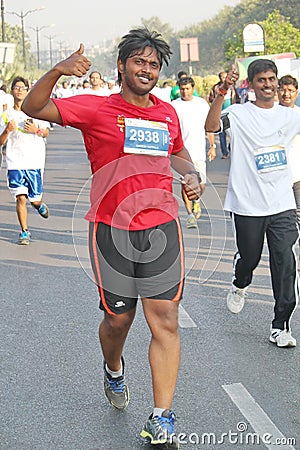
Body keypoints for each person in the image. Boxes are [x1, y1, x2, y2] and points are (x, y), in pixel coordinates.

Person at [22, 27, 201, 448]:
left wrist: (190, 176)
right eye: (139, 61)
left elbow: (178, 152)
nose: (147, 69)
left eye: (154, 64)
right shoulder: (96, 109)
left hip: (161, 226)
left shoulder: (166, 113)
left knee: (166, 320)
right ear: (121, 66)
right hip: (111, 230)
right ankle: (114, 367)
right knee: (119, 319)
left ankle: (161, 416)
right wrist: (58, 71)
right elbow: (34, 105)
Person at [205, 59, 300, 348]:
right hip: (247, 204)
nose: (269, 85)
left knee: (285, 259)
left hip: (282, 202)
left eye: (272, 79)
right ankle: (240, 280)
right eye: (262, 80)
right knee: (250, 258)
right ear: (251, 84)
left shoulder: (291, 116)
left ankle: (280, 325)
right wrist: (222, 90)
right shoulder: (239, 112)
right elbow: (210, 125)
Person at [0, 76, 50, 245]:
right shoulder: (7, 115)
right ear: (12, 91)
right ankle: (24, 231)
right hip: (15, 162)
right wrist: (7, 130)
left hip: (34, 161)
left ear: (28, 90)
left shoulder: (36, 111)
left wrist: (36, 130)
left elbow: (46, 132)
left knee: (34, 200)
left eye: (23, 87)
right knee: (20, 197)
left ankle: (39, 205)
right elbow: (1, 141)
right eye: (16, 87)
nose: (20, 90)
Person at [172, 76, 216, 228]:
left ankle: (196, 201)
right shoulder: (174, 106)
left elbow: (209, 126)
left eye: (188, 89)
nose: (185, 92)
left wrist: (212, 145)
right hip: (181, 153)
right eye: (182, 89)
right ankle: (190, 214)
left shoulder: (201, 104)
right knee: (185, 184)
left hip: (198, 151)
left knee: (201, 185)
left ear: (193, 88)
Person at [278, 75, 300, 232]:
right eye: (283, 90)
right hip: (276, 179)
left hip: (298, 178)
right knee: (282, 223)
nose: (286, 94)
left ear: (296, 93)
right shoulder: (269, 114)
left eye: (291, 91)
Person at [208, 71, 239, 159]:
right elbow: (210, 98)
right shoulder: (216, 87)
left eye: (226, 77)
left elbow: (237, 98)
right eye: (222, 77)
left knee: (233, 134)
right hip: (220, 114)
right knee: (222, 135)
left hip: (231, 115)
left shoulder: (232, 88)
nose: (224, 79)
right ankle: (224, 153)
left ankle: (231, 149)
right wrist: (218, 100)